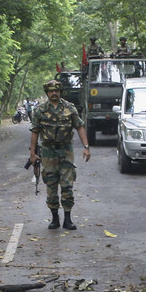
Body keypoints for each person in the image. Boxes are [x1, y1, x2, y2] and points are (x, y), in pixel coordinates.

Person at [30, 79, 91, 230]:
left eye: (56, 90)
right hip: (48, 151)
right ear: (47, 93)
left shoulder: (70, 108)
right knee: (51, 185)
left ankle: (68, 219)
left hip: (66, 151)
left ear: (60, 91)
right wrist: (32, 153)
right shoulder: (40, 110)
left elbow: (80, 127)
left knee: (67, 185)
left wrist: (86, 147)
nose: (54, 93)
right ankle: (55, 218)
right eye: (51, 91)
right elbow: (35, 131)